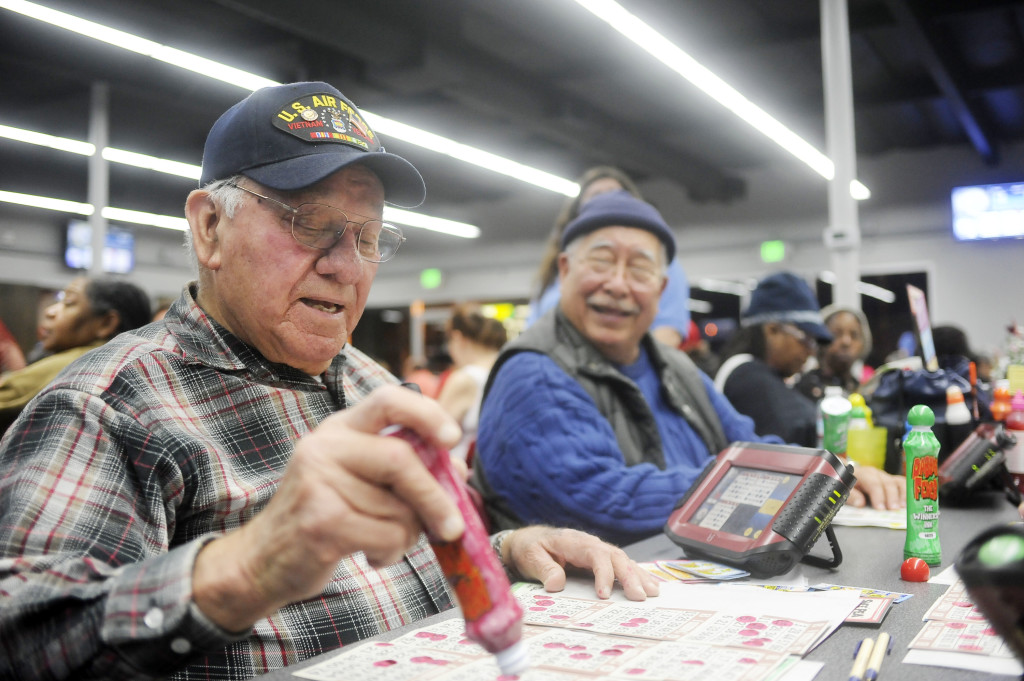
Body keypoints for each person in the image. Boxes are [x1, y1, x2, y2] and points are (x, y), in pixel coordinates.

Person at [0, 82, 657, 681]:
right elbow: (22, 643)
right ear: (209, 228)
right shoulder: (108, 407)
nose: (347, 266)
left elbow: (421, 561)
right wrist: (248, 565)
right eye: (309, 223)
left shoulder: (374, 384)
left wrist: (509, 549)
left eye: (369, 237)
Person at [471, 192, 904, 548]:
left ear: (660, 290)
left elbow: (751, 446)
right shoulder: (533, 372)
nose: (619, 284)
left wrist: (832, 473)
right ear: (564, 271)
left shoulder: (674, 366)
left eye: (639, 268)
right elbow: (602, 500)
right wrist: (782, 486)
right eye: (601, 261)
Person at [527, 166, 692, 348]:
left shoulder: (660, 264)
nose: (618, 285)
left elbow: (667, 332)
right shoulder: (552, 274)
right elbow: (532, 329)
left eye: (615, 193)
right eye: (597, 195)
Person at [0, 276, 151, 432]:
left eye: (69, 303)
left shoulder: (80, 363)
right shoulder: (126, 363)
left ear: (106, 323)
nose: (50, 311)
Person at [714, 272, 834, 447]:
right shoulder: (746, 376)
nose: (810, 352)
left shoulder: (761, 375)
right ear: (772, 330)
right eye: (805, 339)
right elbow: (798, 426)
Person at [436, 303, 507, 462]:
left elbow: (434, 437)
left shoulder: (465, 378)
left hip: (465, 477)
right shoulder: (509, 370)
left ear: (457, 337)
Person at [794, 304, 874, 402]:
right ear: (821, 340)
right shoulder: (803, 390)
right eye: (836, 334)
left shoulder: (863, 393)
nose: (846, 342)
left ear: (863, 344)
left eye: (854, 335)